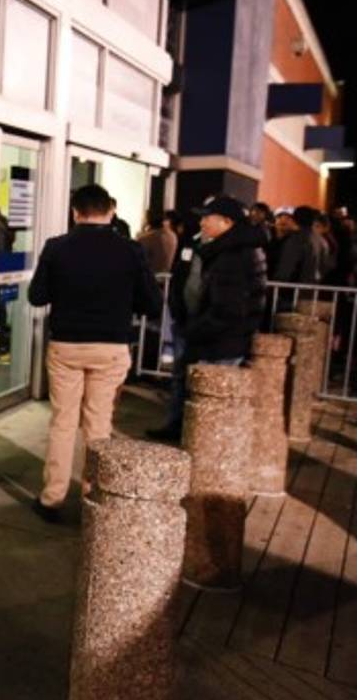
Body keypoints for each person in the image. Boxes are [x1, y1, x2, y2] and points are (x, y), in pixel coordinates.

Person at [28, 184, 162, 522]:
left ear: (75, 212)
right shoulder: (130, 250)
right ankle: (93, 494)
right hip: (111, 347)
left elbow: (36, 296)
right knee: (98, 424)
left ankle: (52, 498)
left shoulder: (57, 247)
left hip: (67, 346)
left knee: (62, 421)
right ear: (111, 211)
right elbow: (151, 303)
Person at [147, 195, 267, 441]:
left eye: (207, 218)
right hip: (201, 331)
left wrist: (196, 330)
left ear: (226, 222)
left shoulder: (234, 255)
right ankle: (178, 430)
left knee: (211, 408)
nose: (201, 222)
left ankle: (201, 449)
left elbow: (228, 310)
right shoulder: (214, 247)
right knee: (184, 383)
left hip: (218, 340)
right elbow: (184, 280)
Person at [136, 209, 179, 273]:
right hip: (165, 275)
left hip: (149, 276)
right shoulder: (172, 235)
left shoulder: (147, 238)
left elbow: (138, 258)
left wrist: (142, 232)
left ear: (149, 219)